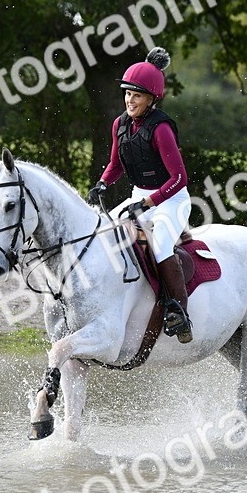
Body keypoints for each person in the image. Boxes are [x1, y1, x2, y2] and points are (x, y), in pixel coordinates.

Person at [87, 47, 193, 344]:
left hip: (171, 200)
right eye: (127, 94)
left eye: (137, 96)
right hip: (139, 198)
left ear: (151, 99)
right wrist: (103, 183)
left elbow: (179, 178)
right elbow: (116, 164)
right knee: (104, 233)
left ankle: (179, 311)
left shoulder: (161, 129)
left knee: (159, 245)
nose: (130, 101)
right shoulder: (119, 125)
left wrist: (147, 203)